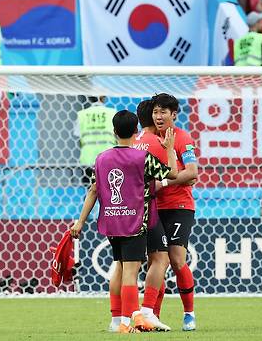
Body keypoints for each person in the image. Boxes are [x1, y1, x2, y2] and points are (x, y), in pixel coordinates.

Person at [70, 110, 179, 334]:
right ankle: (131, 321)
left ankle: (116, 319)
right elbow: (173, 174)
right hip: (134, 221)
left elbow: (93, 191)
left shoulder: (101, 158)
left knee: (119, 268)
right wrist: (169, 149)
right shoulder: (142, 158)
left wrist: (80, 222)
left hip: (111, 221)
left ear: (113, 132)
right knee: (130, 272)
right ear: (136, 131)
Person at [151, 93, 199, 332]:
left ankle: (189, 314)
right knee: (156, 262)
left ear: (173, 115)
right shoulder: (149, 140)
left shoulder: (183, 138)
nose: (158, 116)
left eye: (163, 112)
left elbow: (192, 172)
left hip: (180, 207)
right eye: (155, 112)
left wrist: (166, 183)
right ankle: (154, 314)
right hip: (155, 207)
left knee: (177, 259)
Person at [130, 99, 172, 332]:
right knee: (160, 259)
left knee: (127, 265)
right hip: (148, 209)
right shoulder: (156, 143)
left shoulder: (133, 141)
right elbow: (168, 175)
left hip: (124, 212)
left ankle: (122, 316)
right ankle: (147, 311)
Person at [75, 96, 117, 186]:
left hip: (87, 159)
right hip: (108, 158)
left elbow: (78, 137)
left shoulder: (82, 114)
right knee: (109, 189)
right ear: (103, 97)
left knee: (90, 191)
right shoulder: (111, 113)